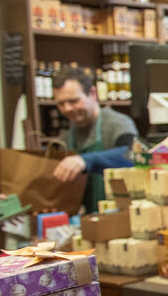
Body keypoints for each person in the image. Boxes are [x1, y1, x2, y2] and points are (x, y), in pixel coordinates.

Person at [51, 67, 137, 211]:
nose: (67, 108)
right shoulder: (66, 137)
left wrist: (86, 160)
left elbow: (132, 156)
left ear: (92, 93)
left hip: (120, 215)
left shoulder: (118, 123)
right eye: (61, 103)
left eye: (74, 101)